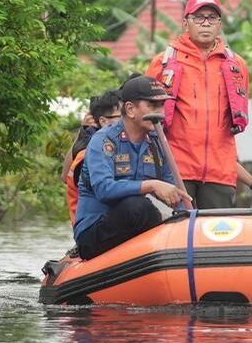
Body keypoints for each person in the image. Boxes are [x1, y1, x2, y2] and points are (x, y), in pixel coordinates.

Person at [146, 0, 252, 209]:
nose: (205, 23)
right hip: (177, 167)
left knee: (216, 235)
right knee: (179, 235)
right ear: (186, 23)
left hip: (220, 170)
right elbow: (143, 114)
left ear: (219, 24)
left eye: (212, 18)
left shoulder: (237, 65)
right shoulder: (164, 62)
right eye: (199, 17)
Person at [73, 76, 192, 260]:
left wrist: (191, 220)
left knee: (183, 215)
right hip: (95, 232)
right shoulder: (103, 140)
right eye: (152, 105)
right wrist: (151, 185)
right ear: (130, 109)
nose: (160, 113)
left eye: (162, 106)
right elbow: (104, 189)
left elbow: (173, 191)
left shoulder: (157, 143)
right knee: (138, 206)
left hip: (136, 227)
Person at [65, 90, 122, 225]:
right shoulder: (90, 150)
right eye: (122, 116)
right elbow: (106, 191)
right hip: (93, 223)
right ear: (103, 121)